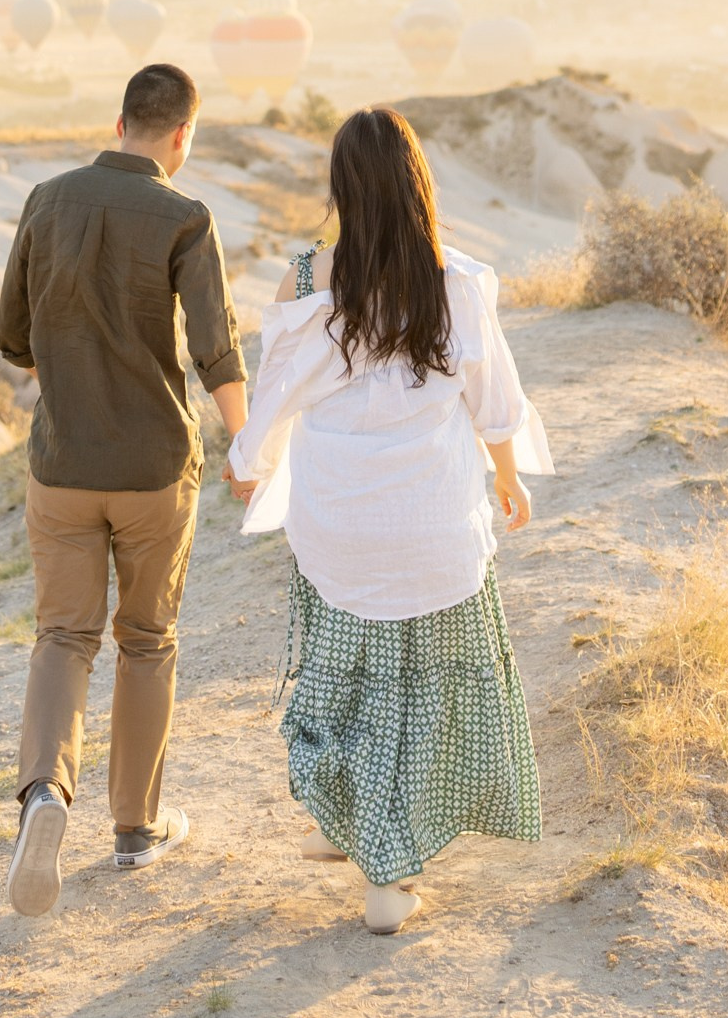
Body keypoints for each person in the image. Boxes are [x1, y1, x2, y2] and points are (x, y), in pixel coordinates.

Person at [227, 102, 549, 934]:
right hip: (434, 521)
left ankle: (349, 825)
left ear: (340, 187)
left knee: (348, 679)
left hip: (334, 523)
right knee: (423, 695)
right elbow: (497, 406)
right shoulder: (458, 281)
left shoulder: (302, 279)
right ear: (417, 183)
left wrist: (247, 465)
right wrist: (508, 483)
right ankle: (389, 873)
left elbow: (271, 405)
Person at [0, 59, 246, 918]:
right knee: (146, 641)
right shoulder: (185, 216)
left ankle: (42, 799)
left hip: (62, 464)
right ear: (182, 135)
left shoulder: (47, 199)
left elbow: (11, 335)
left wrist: (69, 367)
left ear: (118, 123)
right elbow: (214, 347)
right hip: (150, 471)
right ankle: (136, 830)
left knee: (63, 636)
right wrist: (244, 446)